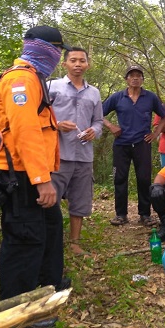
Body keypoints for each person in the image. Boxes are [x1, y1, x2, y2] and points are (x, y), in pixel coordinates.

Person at [0, 25, 70, 302]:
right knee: (25, 238)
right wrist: (41, 180)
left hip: (29, 171)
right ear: (44, 49)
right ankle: (18, 306)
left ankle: (48, 285)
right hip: (18, 173)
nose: (58, 56)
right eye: (57, 50)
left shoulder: (34, 79)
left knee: (51, 226)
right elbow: (25, 130)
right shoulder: (20, 80)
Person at [49, 47, 103, 256]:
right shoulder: (52, 86)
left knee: (80, 199)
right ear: (65, 64)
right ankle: (50, 241)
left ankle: (74, 243)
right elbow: (38, 117)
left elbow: (98, 121)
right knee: (50, 199)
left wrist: (94, 131)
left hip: (83, 155)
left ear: (88, 64)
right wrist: (57, 124)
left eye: (82, 60)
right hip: (57, 154)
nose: (78, 64)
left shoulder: (94, 92)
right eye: (73, 60)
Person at [103, 65, 165, 227]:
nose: (135, 78)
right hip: (121, 144)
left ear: (142, 79)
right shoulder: (118, 97)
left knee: (144, 179)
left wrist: (156, 133)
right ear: (126, 79)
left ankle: (145, 215)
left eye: (139, 75)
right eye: (132, 75)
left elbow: (164, 116)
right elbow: (97, 113)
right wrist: (111, 126)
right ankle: (121, 214)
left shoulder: (150, 97)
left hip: (142, 144)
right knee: (120, 178)